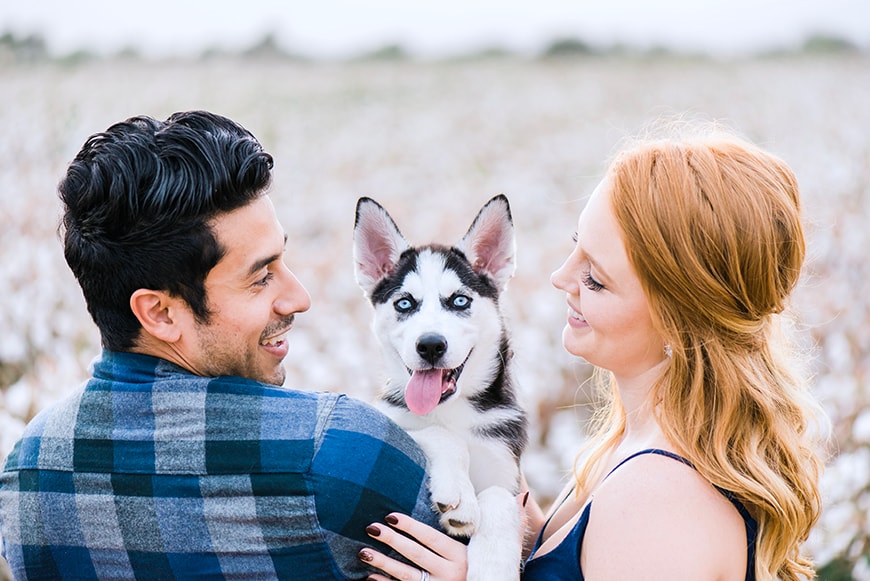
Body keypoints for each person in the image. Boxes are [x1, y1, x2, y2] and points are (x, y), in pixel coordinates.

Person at [358, 124, 828, 581]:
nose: (561, 278)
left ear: (677, 314)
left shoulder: (657, 501)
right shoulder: (635, 445)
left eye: (595, 277)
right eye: (575, 246)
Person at [0, 110, 441, 580]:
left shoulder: (27, 475)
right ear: (160, 313)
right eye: (261, 276)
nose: (300, 297)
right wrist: (529, 538)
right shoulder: (338, 454)